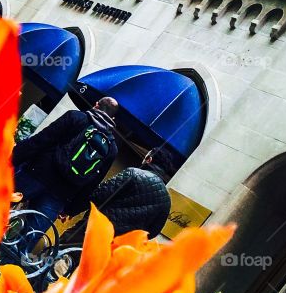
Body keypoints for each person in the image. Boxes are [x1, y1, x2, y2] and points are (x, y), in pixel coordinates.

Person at [11, 97, 120, 244]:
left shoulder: (75, 118)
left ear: (96, 104)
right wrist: (71, 209)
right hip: (60, 195)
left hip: (36, 174)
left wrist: (14, 158)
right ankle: (7, 263)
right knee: (28, 238)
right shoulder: (111, 148)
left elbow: (41, 140)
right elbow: (92, 183)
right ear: (112, 118)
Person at [89, 146, 174, 238]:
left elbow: (98, 194)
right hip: (121, 245)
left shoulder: (133, 173)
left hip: (97, 229)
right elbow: (152, 232)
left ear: (149, 159)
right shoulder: (167, 200)